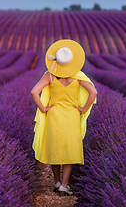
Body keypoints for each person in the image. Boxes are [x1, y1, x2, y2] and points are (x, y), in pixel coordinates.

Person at [31, 39, 97, 196]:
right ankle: (65, 185)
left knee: (55, 148)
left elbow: (34, 92)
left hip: (54, 115)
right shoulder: (78, 76)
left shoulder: (50, 76)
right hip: (71, 115)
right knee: (69, 150)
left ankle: (56, 182)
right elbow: (94, 93)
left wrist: (43, 108)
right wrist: (83, 108)